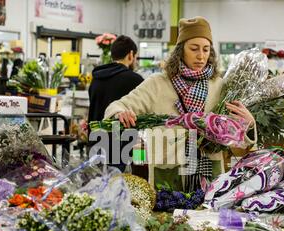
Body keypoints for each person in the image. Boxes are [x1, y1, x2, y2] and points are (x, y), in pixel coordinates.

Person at [103, 16, 257, 191]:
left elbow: (237, 141)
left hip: (209, 175)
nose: (201, 56)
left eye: (206, 49)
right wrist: (120, 113)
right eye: (194, 49)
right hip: (168, 175)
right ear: (180, 51)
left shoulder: (219, 86)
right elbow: (116, 106)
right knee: (165, 218)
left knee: (206, 218)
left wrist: (249, 124)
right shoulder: (158, 83)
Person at [88, 35, 144, 171]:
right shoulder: (135, 80)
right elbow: (143, 121)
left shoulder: (96, 78)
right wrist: (141, 158)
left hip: (97, 144)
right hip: (124, 148)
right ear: (131, 55)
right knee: (127, 187)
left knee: (99, 185)